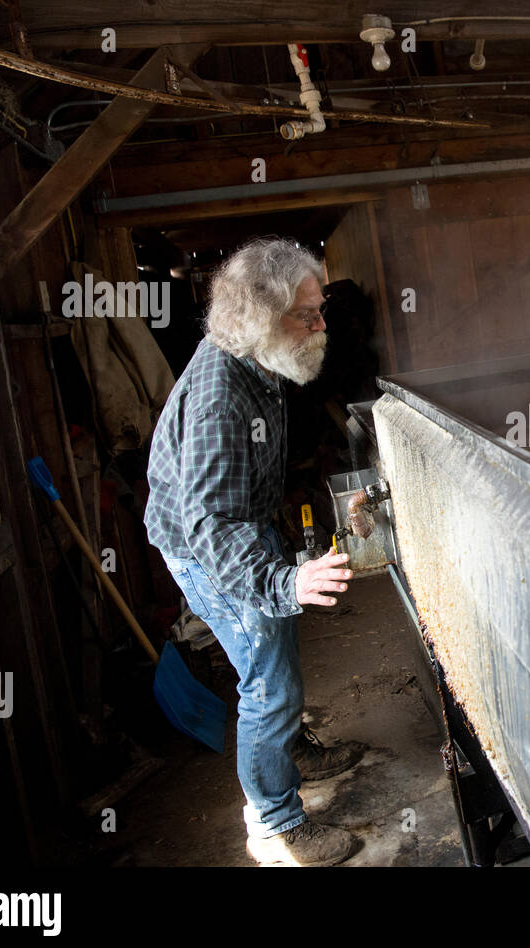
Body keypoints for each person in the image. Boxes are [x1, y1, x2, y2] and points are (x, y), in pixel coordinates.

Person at [144, 237, 367, 866]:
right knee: (268, 682)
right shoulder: (221, 395)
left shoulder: (259, 358)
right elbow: (211, 523)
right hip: (207, 546)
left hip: (241, 525)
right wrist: (282, 583)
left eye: (319, 308)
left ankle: (292, 750)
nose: (322, 324)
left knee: (278, 657)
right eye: (309, 314)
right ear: (263, 316)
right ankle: (275, 822)